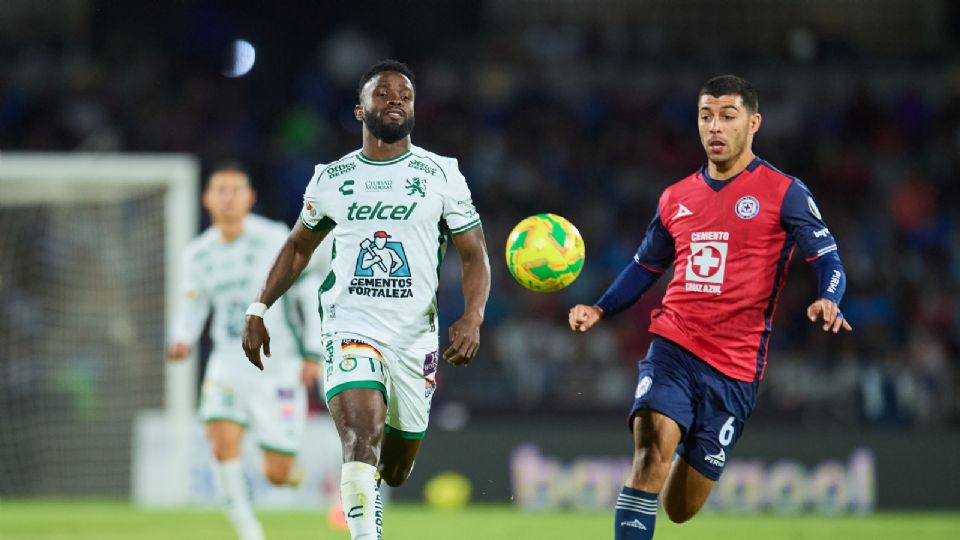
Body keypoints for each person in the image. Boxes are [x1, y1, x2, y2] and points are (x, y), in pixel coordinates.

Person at [568, 75, 852, 539]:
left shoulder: (785, 192)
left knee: (680, 507)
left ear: (753, 123)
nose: (715, 127)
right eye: (705, 117)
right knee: (649, 457)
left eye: (727, 116)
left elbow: (828, 259)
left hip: (735, 369)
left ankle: (685, 442)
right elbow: (644, 267)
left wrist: (828, 297)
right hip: (674, 346)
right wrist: (600, 309)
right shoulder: (675, 197)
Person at [241, 59, 491, 540]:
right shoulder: (332, 178)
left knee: (394, 469)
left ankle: (372, 491)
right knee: (361, 437)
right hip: (350, 325)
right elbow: (298, 247)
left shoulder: (442, 174)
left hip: (414, 338)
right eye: (384, 93)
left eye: (405, 95)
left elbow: (473, 254)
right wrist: (259, 307)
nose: (396, 100)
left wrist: (473, 316)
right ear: (360, 109)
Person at [168, 164, 326, 540]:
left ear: (250, 198)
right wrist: (182, 337)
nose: (227, 197)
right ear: (207, 199)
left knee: (277, 474)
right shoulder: (197, 254)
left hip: (277, 364)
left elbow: (309, 290)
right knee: (221, 442)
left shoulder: (275, 238)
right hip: (227, 362)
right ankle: (249, 531)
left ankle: (288, 470)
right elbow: (192, 303)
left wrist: (313, 351)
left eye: (235, 189)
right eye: (220, 190)